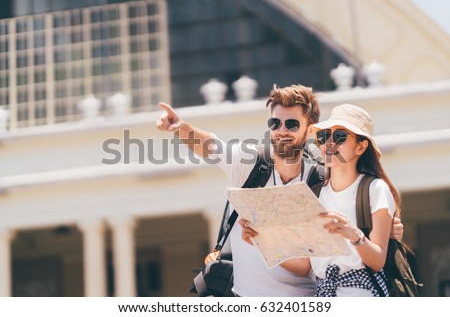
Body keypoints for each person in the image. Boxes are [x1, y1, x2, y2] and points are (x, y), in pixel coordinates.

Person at [157, 84, 403, 296]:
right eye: (275, 123)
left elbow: (354, 209)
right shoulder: (249, 166)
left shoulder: (320, 179)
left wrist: (387, 228)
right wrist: (181, 128)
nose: (282, 130)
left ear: (309, 130)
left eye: (292, 124)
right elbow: (211, 146)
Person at [311, 103, 398, 296]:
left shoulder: (376, 189)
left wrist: (354, 235)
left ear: (361, 146)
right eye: (324, 136)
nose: (329, 143)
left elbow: (377, 261)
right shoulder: (313, 195)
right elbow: (302, 265)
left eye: (340, 136)